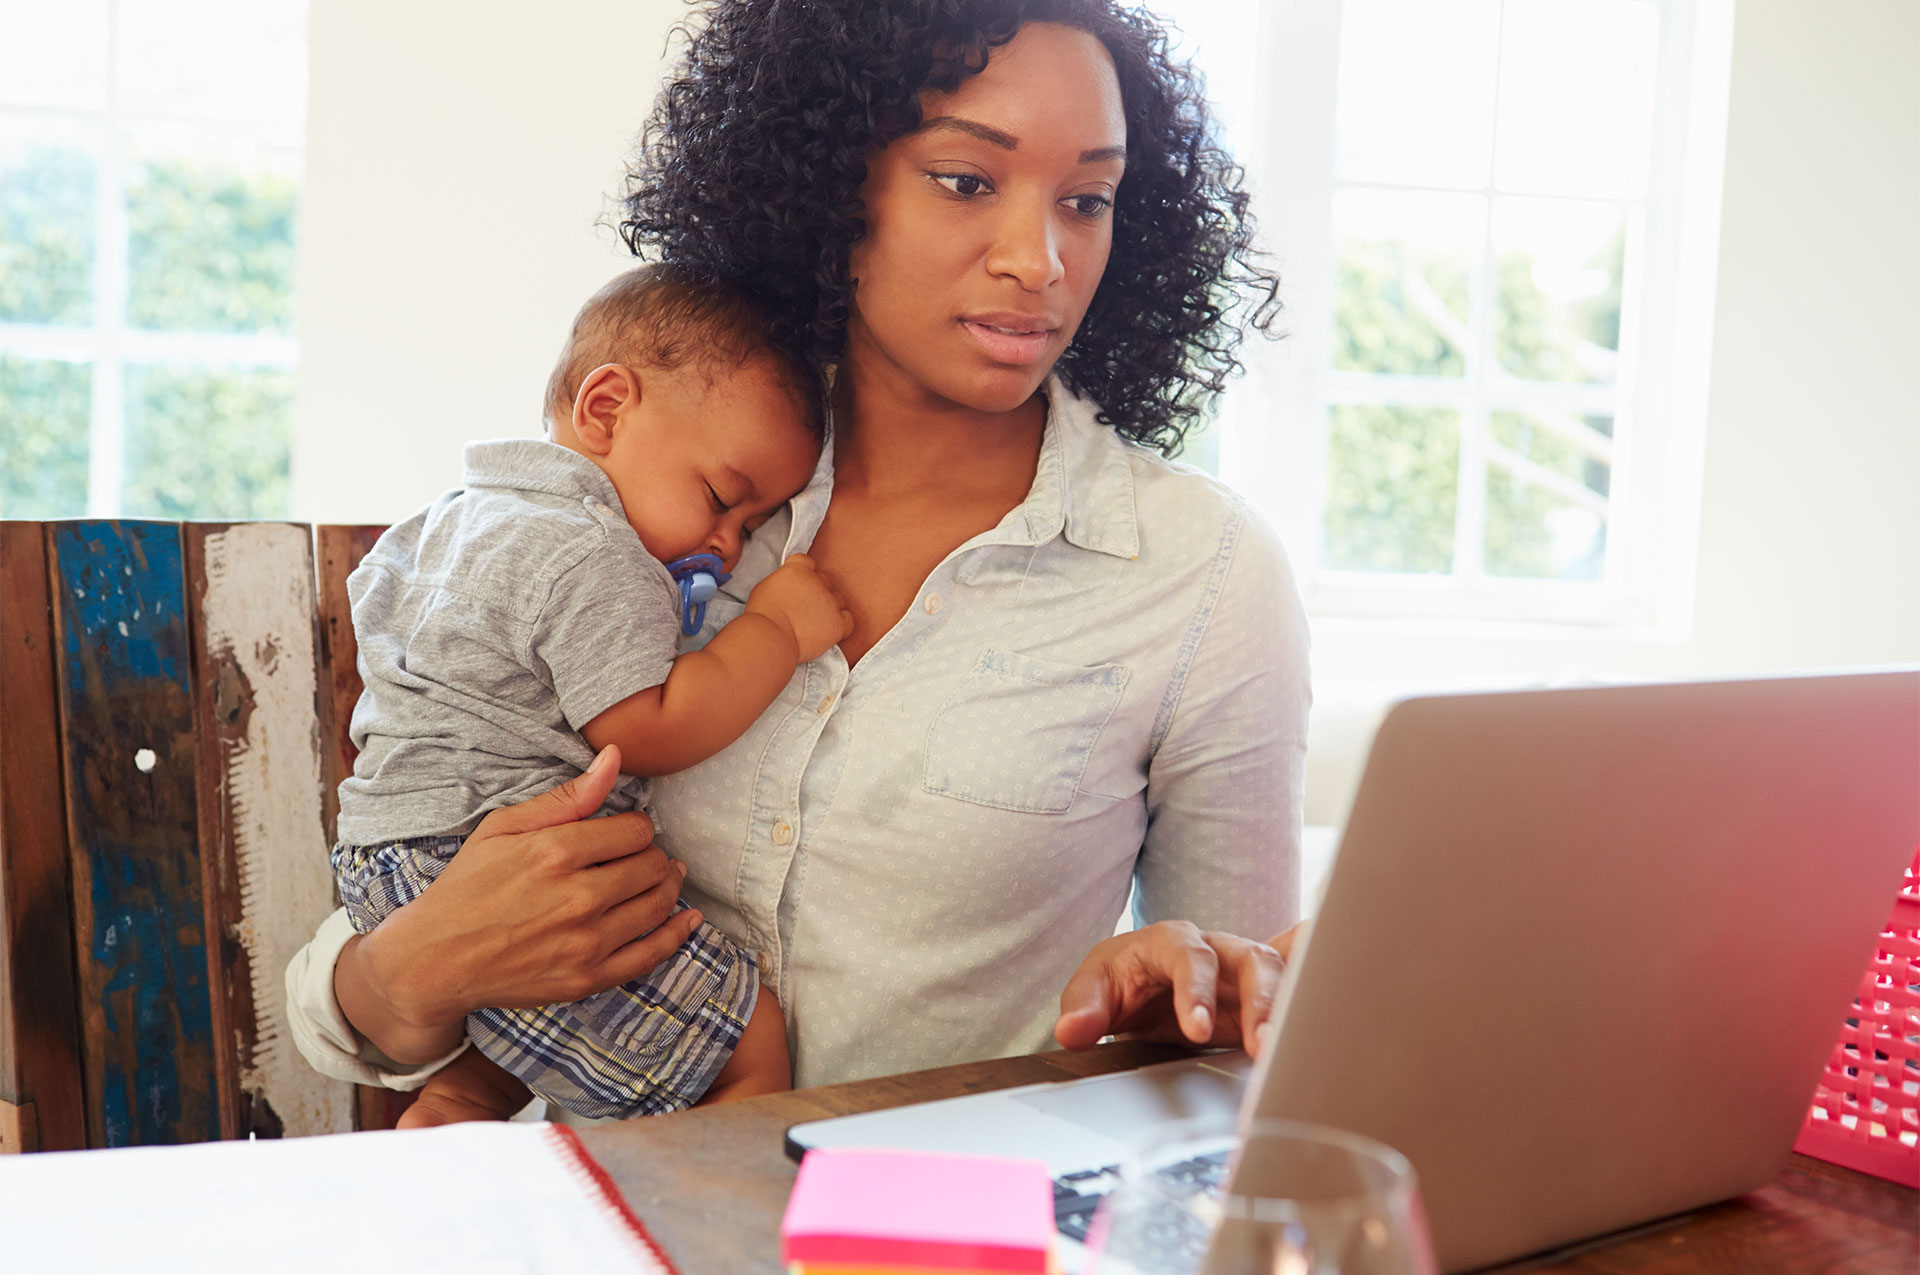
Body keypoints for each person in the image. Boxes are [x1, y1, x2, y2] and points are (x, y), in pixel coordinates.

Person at [286, 0, 1311, 1111]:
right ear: (831, 184)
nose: (1040, 260)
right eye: (967, 181)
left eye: (1087, 200)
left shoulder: (1202, 577)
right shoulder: (660, 496)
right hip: (587, 1213)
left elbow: (1238, 1042)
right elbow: (375, 943)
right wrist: (407, 976)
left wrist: (1161, 1013)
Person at [327, 265, 853, 1125]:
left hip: (388, 858)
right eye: (723, 499)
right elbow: (649, 726)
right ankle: (710, 1238)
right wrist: (779, 632)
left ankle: (458, 1100)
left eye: (754, 527)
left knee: (530, 1039)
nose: (725, 544)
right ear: (606, 408)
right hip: (486, 861)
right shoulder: (593, 552)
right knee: (747, 1041)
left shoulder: (449, 518)